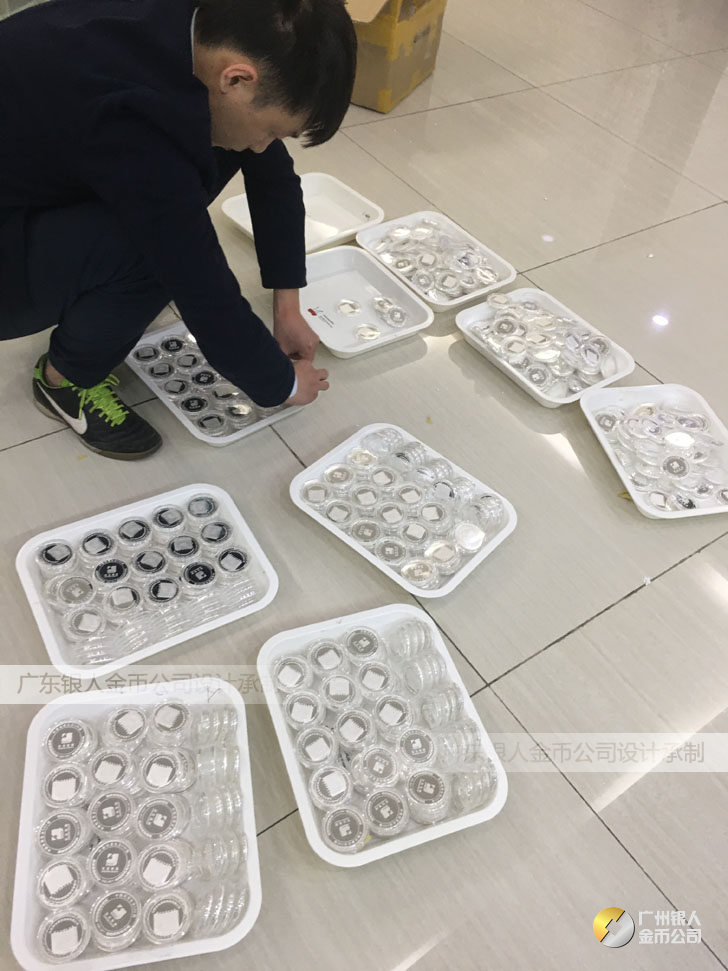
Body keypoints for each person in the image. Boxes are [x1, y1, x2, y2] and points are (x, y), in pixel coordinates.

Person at [0, 0, 356, 459]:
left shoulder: (204, 30)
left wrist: (288, 305)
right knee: (149, 249)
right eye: (271, 130)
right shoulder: (132, 116)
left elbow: (273, 177)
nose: (263, 145)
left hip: (29, 167)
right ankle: (64, 382)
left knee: (223, 148)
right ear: (237, 78)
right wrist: (281, 383)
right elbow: (197, 279)